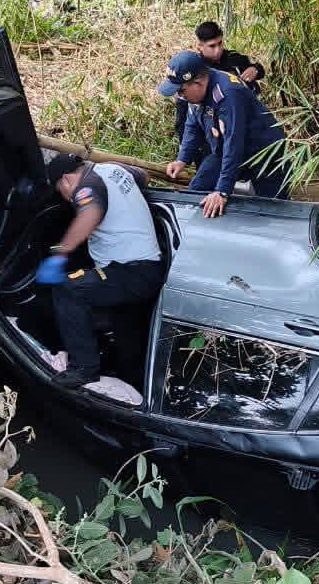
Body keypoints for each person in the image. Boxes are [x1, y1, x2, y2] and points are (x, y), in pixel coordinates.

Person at [36, 154, 165, 389]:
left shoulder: (85, 186)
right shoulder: (112, 169)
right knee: (127, 339)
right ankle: (135, 384)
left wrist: (60, 252)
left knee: (69, 289)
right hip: (146, 268)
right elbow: (143, 177)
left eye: (61, 192)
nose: (66, 199)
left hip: (130, 272)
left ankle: (84, 368)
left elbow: (90, 214)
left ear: (66, 179)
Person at [159, 51, 290, 218]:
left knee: (275, 210)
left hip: (265, 153)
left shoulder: (228, 94)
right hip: (227, 151)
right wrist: (182, 159)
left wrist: (222, 192)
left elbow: (234, 144)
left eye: (182, 91)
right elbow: (191, 126)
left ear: (198, 82)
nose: (180, 96)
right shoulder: (194, 94)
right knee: (195, 193)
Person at [172, 21, 267, 151]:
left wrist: (255, 70)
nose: (218, 50)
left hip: (246, 125)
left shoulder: (234, 59)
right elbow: (183, 111)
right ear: (199, 46)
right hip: (211, 134)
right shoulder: (193, 69)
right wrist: (186, 149)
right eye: (212, 46)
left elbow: (259, 70)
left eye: (220, 43)